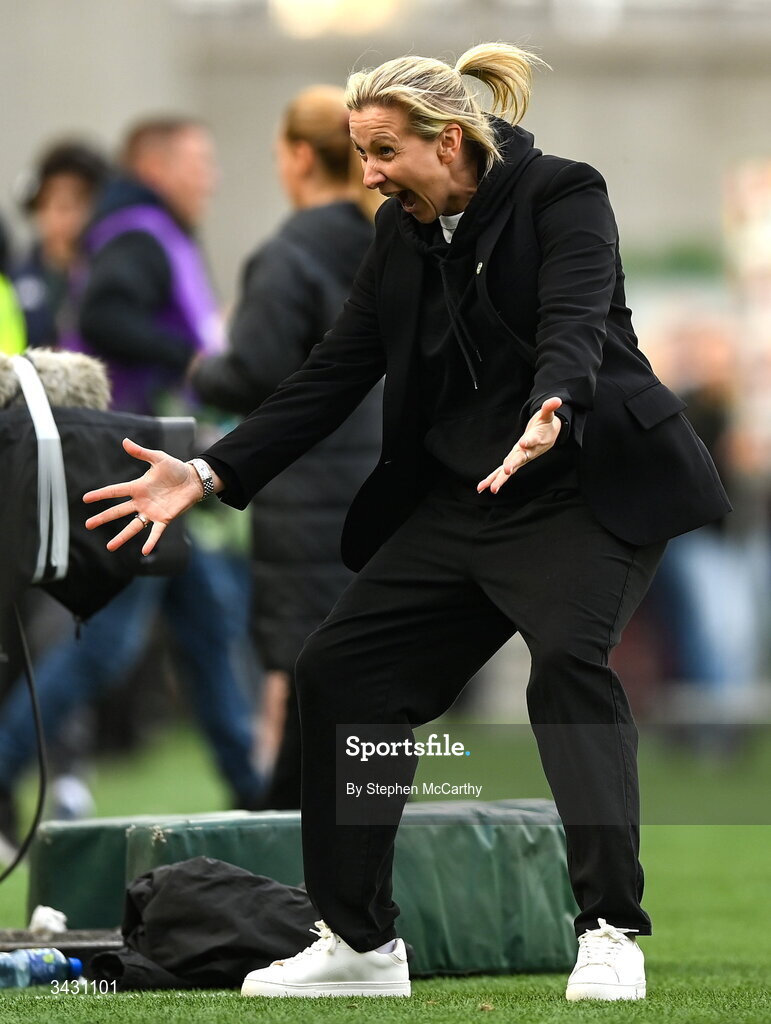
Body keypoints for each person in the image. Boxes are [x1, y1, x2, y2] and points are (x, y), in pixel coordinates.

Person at [84, 44, 730, 1003]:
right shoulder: (397, 233)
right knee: (342, 672)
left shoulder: (563, 193)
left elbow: (574, 317)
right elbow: (335, 368)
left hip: (584, 488)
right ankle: (359, 941)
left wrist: (554, 402)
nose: (372, 175)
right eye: (360, 155)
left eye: (384, 152)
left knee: (566, 666)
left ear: (452, 139)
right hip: (465, 497)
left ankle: (606, 930)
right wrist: (213, 470)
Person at [0, 118, 263, 840]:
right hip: (141, 471)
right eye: (197, 161)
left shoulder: (135, 231)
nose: (209, 175)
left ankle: (260, 797)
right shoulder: (142, 235)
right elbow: (111, 318)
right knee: (107, 648)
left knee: (211, 631)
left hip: (158, 474)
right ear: (156, 165)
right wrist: (192, 358)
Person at [189, 85, 382, 808]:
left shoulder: (289, 253)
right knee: (362, 682)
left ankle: (295, 852)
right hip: (384, 495)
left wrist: (202, 365)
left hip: (304, 504)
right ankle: (352, 842)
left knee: (306, 686)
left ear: (299, 157)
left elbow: (256, 372)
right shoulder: (391, 243)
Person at [12, 140, 110, 348]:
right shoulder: (12, 281)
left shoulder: (117, 278)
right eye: (55, 203)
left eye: (80, 202)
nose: (67, 217)